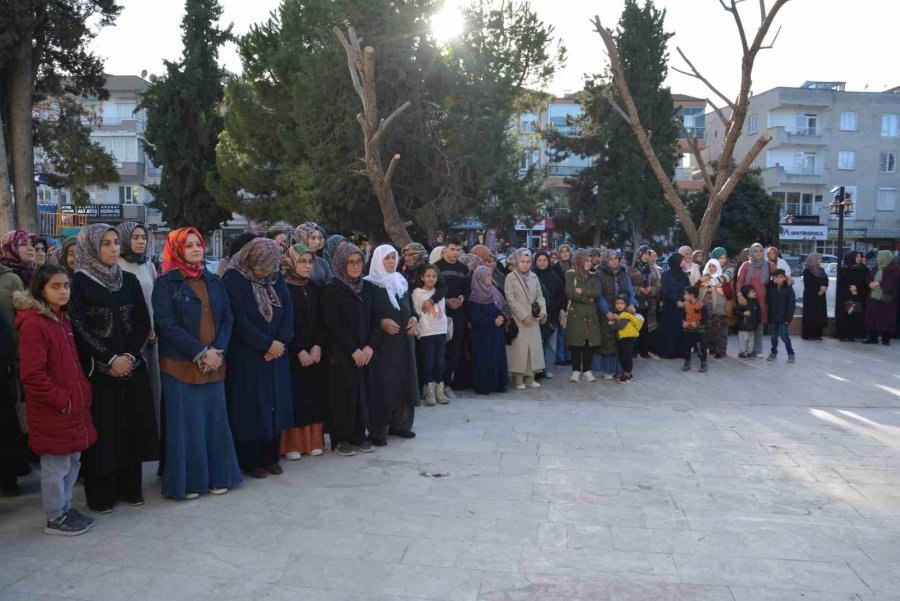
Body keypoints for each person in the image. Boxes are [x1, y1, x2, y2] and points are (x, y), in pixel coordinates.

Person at [68, 224, 158, 513]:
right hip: (99, 372)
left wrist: (130, 356)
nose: (113, 248)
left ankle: (130, 487)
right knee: (104, 433)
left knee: (132, 427)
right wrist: (109, 358)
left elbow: (142, 322)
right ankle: (102, 494)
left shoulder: (128, 280)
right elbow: (79, 326)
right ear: (92, 248)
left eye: (116, 243)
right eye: (105, 243)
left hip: (131, 368)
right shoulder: (78, 282)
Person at [153, 228, 242, 499]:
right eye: (188, 245)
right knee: (186, 426)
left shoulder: (214, 280)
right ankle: (189, 482)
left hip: (215, 363)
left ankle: (219, 476)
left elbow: (227, 318)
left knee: (215, 423)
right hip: (181, 366)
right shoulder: (166, 284)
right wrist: (201, 352)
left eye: (198, 245)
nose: (195, 249)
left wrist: (217, 351)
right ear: (177, 249)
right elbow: (166, 324)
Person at [15, 265, 97, 534]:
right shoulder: (34, 324)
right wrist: (62, 399)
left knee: (73, 461)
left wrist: (80, 392)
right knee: (55, 465)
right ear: (41, 289)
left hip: (71, 406)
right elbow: (32, 374)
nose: (63, 292)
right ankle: (54, 516)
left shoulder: (62, 319)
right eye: (55, 287)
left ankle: (66, 507)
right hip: (54, 409)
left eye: (66, 286)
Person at [223, 238, 294, 478]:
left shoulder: (276, 277)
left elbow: (288, 312)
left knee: (274, 406)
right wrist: (266, 344)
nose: (265, 271)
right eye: (262, 266)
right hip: (249, 356)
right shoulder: (234, 279)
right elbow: (239, 320)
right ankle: (251, 461)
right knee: (251, 408)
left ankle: (271, 456)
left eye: (270, 266)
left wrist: (281, 342)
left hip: (276, 355)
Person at [321, 241, 377, 456]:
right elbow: (333, 324)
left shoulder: (367, 288)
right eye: (350, 262)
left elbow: (375, 319)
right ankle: (341, 438)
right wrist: (353, 350)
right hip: (342, 353)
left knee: (362, 395)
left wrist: (369, 346)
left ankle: (359, 434)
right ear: (340, 264)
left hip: (365, 352)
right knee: (343, 395)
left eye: (359, 261)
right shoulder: (332, 290)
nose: (355, 266)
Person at [365, 244, 419, 444]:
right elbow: (365, 314)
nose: (391, 262)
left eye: (394, 258)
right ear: (378, 260)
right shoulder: (370, 284)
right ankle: (379, 430)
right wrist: (381, 323)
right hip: (383, 345)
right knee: (384, 384)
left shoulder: (400, 281)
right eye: (387, 258)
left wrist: (414, 319)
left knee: (404, 381)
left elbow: (410, 308)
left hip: (404, 343)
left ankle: (401, 424)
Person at [279, 244, 328, 459]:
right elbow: (283, 324)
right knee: (295, 397)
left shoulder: (315, 287)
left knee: (314, 395)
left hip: (315, 353)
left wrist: (317, 345)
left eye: (310, 262)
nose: (307, 266)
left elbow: (322, 321)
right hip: (292, 355)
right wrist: (298, 349)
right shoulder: (282, 287)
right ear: (291, 262)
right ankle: (293, 445)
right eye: (302, 261)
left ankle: (313, 441)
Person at [116, 222, 161, 431]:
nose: (141, 241)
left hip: (152, 336)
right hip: (129, 336)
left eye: (143, 237)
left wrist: (155, 328)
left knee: (153, 385)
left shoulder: (148, 265)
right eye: (135, 237)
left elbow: (156, 300)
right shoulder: (116, 265)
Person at [504, 248, 546, 390]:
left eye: (528, 262)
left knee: (532, 349)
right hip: (518, 319)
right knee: (519, 350)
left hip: (533, 319)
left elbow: (540, 296)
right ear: (517, 261)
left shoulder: (534, 276)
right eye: (522, 261)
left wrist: (543, 311)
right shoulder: (510, 277)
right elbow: (510, 299)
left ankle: (530, 377)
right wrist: (523, 316)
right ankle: (518, 378)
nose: (525, 264)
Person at [434, 238, 469, 397]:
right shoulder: (436, 268)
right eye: (452, 249)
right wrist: (446, 301)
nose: (455, 252)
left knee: (454, 349)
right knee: (440, 349)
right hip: (440, 313)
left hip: (459, 314)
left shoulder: (463, 268)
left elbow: (468, 290)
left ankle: (447, 384)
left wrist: (462, 298)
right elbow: (431, 290)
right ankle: (435, 384)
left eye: (458, 250)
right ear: (445, 249)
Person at [468, 265, 509, 395]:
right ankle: (484, 386)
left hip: (497, 333)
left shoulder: (494, 291)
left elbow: (502, 308)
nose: (490, 278)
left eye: (490, 276)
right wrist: (492, 321)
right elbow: (475, 318)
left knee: (497, 357)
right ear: (479, 278)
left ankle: (499, 384)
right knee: (484, 359)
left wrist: (502, 317)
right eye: (487, 276)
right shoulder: (474, 297)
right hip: (482, 335)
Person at [593, 250, 634, 379]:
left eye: (616, 258)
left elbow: (630, 290)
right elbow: (599, 295)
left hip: (623, 311)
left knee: (622, 342)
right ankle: (608, 370)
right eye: (611, 259)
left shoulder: (623, 272)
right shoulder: (600, 274)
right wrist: (607, 311)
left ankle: (621, 370)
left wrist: (631, 304)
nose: (614, 261)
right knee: (608, 341)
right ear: (606, 260)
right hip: (607, 312)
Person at [413, 265, 449, 405]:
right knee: (428, 363)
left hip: (440, 331)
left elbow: (443, 312)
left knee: (439, 362)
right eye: (428, 276)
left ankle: (439, 389)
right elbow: (417, 311)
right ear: (422, 277)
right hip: (426, 333)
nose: (431, 279)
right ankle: (428, 390)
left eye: (434, 276)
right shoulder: (417, 293)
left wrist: (446, 329)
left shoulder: (438, 292)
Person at [565, 250, 602, 382]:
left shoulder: (593, 276)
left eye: (590, 261)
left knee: (588, 342)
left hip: (590, 314)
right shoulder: (571, 275)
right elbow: (571, 293)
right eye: (586, 260)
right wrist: (588, 298)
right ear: (579, 261)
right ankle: (575, 370)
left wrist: (583, 292)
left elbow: (597, 292)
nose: (589, 263)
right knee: (576, 343)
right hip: (576, 314)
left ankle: (587, 370)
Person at [735, 243, 777, 356]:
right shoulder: (745, 265)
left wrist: (789, 280)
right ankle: (745, 349)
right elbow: (739, 282)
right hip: (747, 300)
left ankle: (757, 350)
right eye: (756, 251)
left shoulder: (769, 265)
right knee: (746, 325)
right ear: (752, 253)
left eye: (760, 251)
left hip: (762, 301)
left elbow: (779, 277)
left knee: (759, 325)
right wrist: (739, 295)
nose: (758, 253)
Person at [534, 250, 564, 379]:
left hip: (552, 315)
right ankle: (537, 368)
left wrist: (553, 309)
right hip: (535, 315)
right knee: (537, 343)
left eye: (544, 260)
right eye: (539, 260)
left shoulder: (555, 277)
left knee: (551, 344)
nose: (542, 263)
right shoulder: (532, 276)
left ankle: (549, 369)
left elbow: (561, 295)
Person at [629, 246, 660, 359]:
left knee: (646, 327)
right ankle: (634, 350)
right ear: (640, 255)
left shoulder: (653, 270)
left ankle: (644, 350)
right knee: (634, 325)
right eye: (645, 253)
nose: (647, 256)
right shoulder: (632, 269)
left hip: (650, 302)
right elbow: (628, 286)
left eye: (649, 253)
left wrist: (650, 290)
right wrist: (639, 289)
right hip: (636, 301)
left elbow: (658, 285)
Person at [864, 250, 899, 346]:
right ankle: (872, 337)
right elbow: (869, 278)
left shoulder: (894, 269)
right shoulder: (875, 268)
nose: (877, 259)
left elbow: (893, 282)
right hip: (873, 296)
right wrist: (870, 283)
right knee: (872, 317)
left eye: (879, 257)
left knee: (886, 318)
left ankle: (886, 339)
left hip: (886, 298)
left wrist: (879, 284)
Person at [659, 253, 690, 359]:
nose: (684, 262)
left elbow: (687, 289)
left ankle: (680, 351)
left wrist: (684, 300)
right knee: (670, 329)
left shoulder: (684, 275)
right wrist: (676, 300)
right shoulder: (665, 275)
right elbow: (665, 291)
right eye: (682, 260)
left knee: (680, 329)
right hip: (669, 306)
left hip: (682, 306)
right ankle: (669, 351)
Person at [608, 295, 643, 383]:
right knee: (623, 356)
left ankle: (628, 375)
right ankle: (627, 373)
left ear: (626, 305)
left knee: (626, 356)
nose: (619, 305)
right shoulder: (622, 315)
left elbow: (621, 325)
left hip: (627, 338)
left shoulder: (625, 314)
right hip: (624, 338)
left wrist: (612, 326)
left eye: (622, 303)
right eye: (617, 303)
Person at [699, 259, 730, 358]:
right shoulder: (704, 278)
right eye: (710, 266)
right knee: (708, 330)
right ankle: (711, 349)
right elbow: (696, 291)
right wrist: (701, 282)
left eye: (714, 266)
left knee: (720, 330)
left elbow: (729, 294)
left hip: (719, 309)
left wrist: (717, 286)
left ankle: (720, 351)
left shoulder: (722, 279)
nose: (712, 268)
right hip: (706, 310)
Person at [835, 251, 868, 341]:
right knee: (846, 314)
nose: (859, 258)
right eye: (857, 257)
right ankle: (843, 334)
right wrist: (850, 287)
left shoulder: (863, 268)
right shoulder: (845, 268)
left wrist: (857, 288)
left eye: (860, 257)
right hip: (846, 295)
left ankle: (853, 335)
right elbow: (841, 282)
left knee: (855, 315)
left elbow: (866, 281)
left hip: (858, 295)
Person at [766, 269, 796, 362]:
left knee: (784, 336)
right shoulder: (772, 288)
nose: (778, 279)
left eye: (780, 277)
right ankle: (773, 353)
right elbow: (767, 301)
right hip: (774, 317)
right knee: (774, 336)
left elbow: (791, 305)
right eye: (776, 277)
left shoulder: (789, 289)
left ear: (784, 278)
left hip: (784, 318)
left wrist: (788, 318)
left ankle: (791, 354)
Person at [552, 244, 573, 366]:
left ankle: (569, 355)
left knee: (570, 331)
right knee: (561, 331)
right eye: (562, 251)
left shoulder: (573, 266)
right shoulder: (555, 267)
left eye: (567, 251)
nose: (565, 253)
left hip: (572, 302)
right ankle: (560, 357)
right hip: (561, 302)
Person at [801, 252, 829, 340]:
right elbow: (808, 283)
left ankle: (818, 334)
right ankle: (809, 334)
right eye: (818, 259)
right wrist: (819, 289)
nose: (820, 260)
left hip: (821, 297)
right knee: (811, 315)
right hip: (811, 296)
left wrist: (824, 287)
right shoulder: (807, 270)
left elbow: (826, 279)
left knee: (819, 315)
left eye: (820, 259)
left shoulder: (821, 270)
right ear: (813, 260)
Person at [680, 286, 708, 373]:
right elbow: (683, 316)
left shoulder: (701, 306)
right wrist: (683, 322)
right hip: (688, 330)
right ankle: (687, 363)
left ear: (692, 295)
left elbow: (705, 318)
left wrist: (697, 323)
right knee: (686, 347)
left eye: (685, 294)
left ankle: (703, 363)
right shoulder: (686, 306)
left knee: (700, 347)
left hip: (699, 331)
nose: (684, 296)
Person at [736, 284, 761, 359]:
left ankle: (749, 352)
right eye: (752, 292)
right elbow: (736, 311)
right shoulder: (743, 301)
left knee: (751, 339)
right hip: (744, 325)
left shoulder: (755, 301)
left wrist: (758, 321)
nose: (754, 294)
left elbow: (758, 312)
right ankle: (742, 352)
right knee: (743, 339)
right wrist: (743, 313)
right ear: (747, 293)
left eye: (754, 292)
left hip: (752, 325)